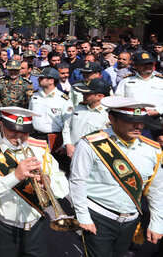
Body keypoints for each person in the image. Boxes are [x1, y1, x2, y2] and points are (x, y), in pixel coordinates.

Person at [70, 96, 163, 256]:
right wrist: (83, 217)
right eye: (130, 121)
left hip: (131, 220)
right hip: (99, 216)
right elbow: (78, 181)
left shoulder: (153, 150)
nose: (138, 126)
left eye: (141, 121)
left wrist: (157, 223)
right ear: (112, 118)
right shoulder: (91, 144)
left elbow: (157, 190)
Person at [0, 107, 69, 257]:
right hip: (3, 227)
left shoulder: (39, 148)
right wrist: (15, 176)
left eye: (24, 131)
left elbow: (63, 183)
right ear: (2, 125)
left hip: (36, 225)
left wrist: (49, 182)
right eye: (13, 129)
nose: (19, 135)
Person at [29, 66, 74, 157]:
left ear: (51, 81)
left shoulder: (63, 99)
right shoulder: (35, 96)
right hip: (34, 136)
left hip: (53, 140)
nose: (38, 79)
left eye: (41, 77)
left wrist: (65, 144)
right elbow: (30, 116)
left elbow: (68, 124)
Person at [62, 78, 110, 159]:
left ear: (100, 96)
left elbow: (105, 141)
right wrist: (68, 145)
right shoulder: (80, 107)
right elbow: (67, 126)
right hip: (70, 153)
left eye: (87, 93)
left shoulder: (107, 115)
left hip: (90, 157)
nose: (83, 95)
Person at [115, 51, 163, 128]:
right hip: (131, 119)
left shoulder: (161, 81)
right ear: (136, 65)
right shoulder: (126, 80)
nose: (147, 66)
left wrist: (158, 111)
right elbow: (118, 99)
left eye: (150, 63)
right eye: (143, 64)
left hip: (156, 120)